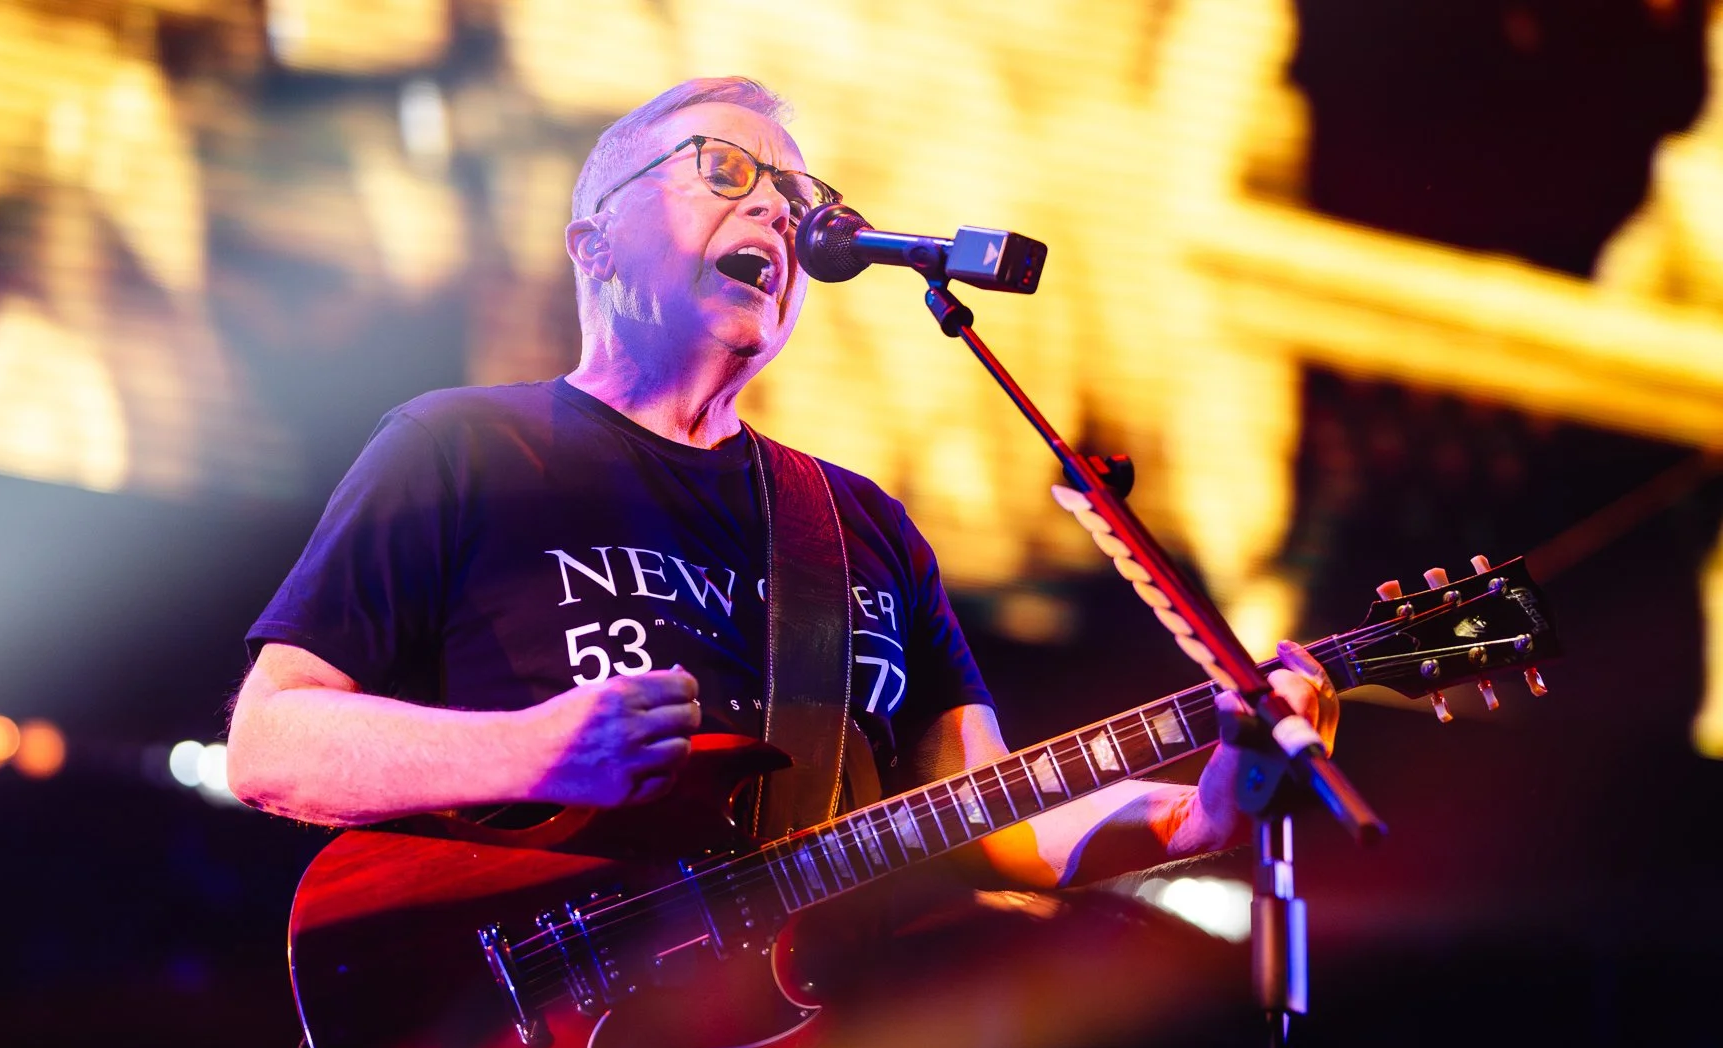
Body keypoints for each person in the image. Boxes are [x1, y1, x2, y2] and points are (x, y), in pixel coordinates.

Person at [225, 74, 1332, 897]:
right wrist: (533, 751)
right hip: (524, 1034)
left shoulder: (857, 528)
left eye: (795, 199)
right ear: (594, 246)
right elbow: (271, 745)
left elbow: (997, 821)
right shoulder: (460, 448)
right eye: (723, 173)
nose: (777, 215)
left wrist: (1212, 795)